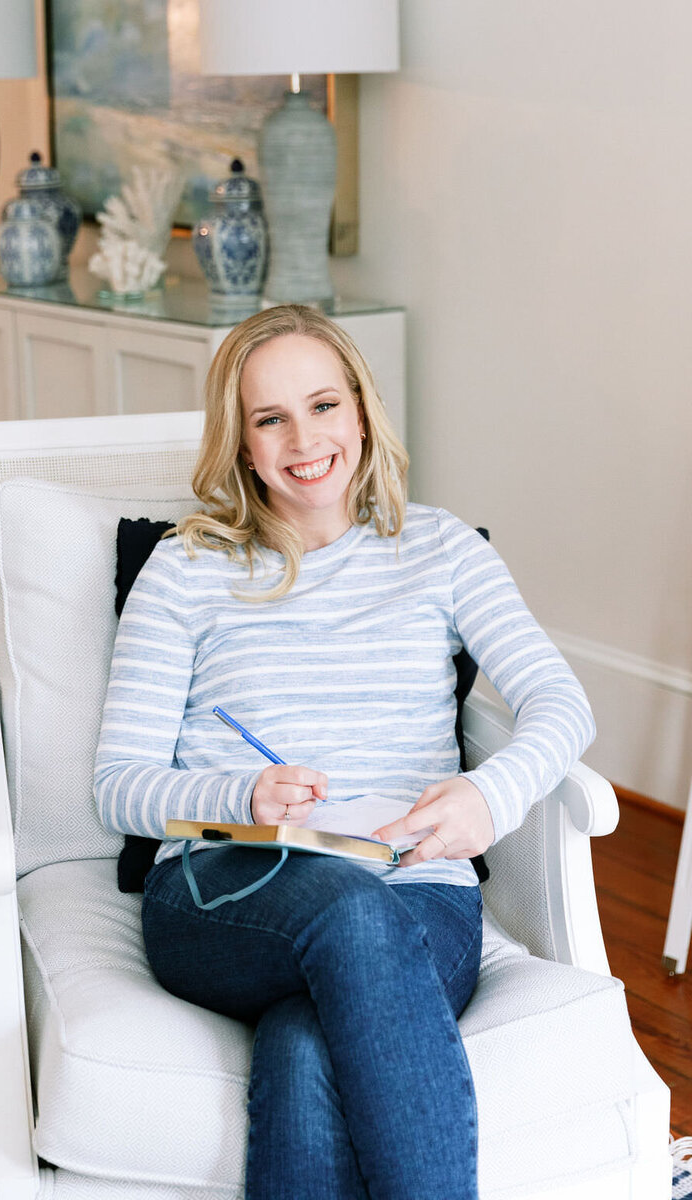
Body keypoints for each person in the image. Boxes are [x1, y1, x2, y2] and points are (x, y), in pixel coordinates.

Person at [94, 304, 595, 1200]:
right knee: (354, 916)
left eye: (323, 405)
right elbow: (116, 785)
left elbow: (560, 702)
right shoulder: (186, 568)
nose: (303, 438)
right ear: (241, 443)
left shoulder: (441, 549)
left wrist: (491, 796)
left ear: (362, 410)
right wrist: (238, 795)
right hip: (225, 894)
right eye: (269, 417)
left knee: (301, 1040)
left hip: (423, 905)